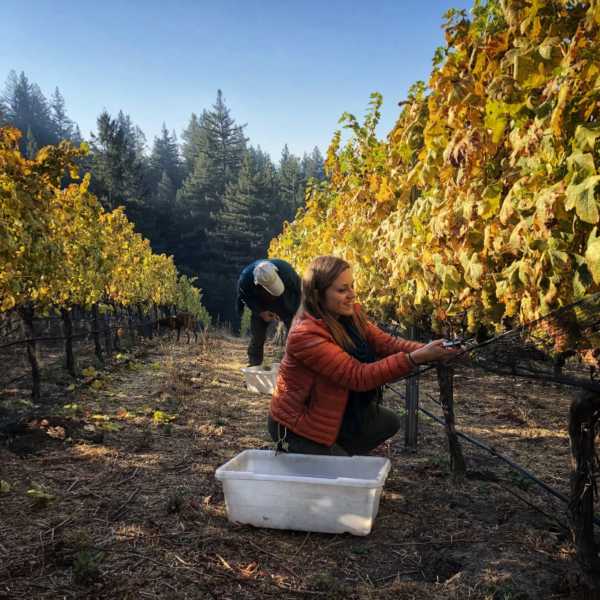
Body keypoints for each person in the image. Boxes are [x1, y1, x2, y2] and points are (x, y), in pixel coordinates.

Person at [268, 255, 459, 456]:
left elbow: (387, 343)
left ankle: (336, 451)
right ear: (317, 295)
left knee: (388, 422)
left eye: (352, 286)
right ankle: (323, 453)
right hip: (298, 427)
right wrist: (415, 358)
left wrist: (433, 350)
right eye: (342, 290)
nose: (352, 294)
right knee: (344, 479)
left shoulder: (349, 316)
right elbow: (358, 376)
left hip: (330, 407)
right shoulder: (305, 335)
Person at [237, 258, 301, 367]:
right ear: (258, 284)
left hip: (285, 300)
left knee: (295, 335)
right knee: (258, 335)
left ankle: (296, 365)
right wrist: (260, 312)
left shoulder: (286, 271)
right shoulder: (246, 279)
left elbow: (300, 291)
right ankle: (254, 364)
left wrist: (298, 312)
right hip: (260, 303)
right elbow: (245, 298)